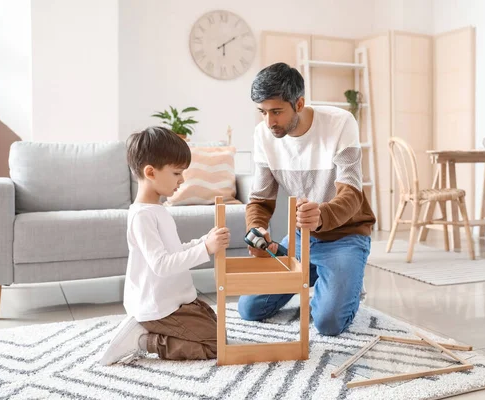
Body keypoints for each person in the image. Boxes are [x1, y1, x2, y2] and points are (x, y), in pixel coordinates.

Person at [238, 63, 376, 336]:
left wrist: (323, 215)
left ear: (299, 103)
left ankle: (346, 278)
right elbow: (260, 200)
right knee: (249, 309)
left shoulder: (340, 122)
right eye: (262, 112)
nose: (269, 122)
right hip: (302, 238)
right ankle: (315, 273)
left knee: (327, 323)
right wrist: (258, 228)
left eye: (276, 111)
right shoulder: (263, 135)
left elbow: (351, 194)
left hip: (345, 236)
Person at [100, 126, 230, 365]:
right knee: (217, 345)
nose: (182, 180)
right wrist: (206, 250)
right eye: (176, 173)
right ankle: (143, 339)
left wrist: (202, 241)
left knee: (216, 327)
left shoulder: (157, 210)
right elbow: (161, 265)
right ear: (150, 172)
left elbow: (173, 250)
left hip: (173, 299)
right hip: (157, 305)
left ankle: (152, 331)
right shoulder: (143, 216)